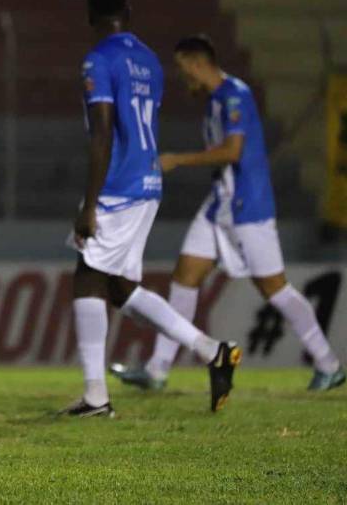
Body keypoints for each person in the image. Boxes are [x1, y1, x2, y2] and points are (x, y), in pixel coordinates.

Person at [111, 35, 343, 392]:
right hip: (220, 204)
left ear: (196, 62)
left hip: (248, 206)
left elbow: (233, 152)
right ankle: (157, 370)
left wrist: (177, 159)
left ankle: (328, 363)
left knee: (273, 288)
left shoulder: (235, 95)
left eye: (182, 66)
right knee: (184, 277)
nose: (181, 73)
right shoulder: (214, 100)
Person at [64, 0, 239, 418]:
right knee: (120, 289)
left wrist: (90, 203)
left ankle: (95, 397)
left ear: (91, 18)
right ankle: (211, 349)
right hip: (148, 182)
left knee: (87, 277)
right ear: (129, 10)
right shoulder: (149, 61)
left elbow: (103, 132)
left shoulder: (98, 60)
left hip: (119, 185)